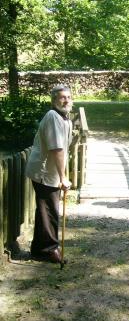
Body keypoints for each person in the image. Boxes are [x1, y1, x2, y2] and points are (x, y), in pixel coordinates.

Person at [26, 85, 73, 263]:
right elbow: (57, 149)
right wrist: (63, 178)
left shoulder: (64, 118)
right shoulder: (53, 116)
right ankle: (48, 250)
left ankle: (39, 249)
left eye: (68, 97)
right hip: (45, 172)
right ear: (54, 100)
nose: (66, 100)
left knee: (45, 210)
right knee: (50, 211)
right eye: (62, 97)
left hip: (50, 171)